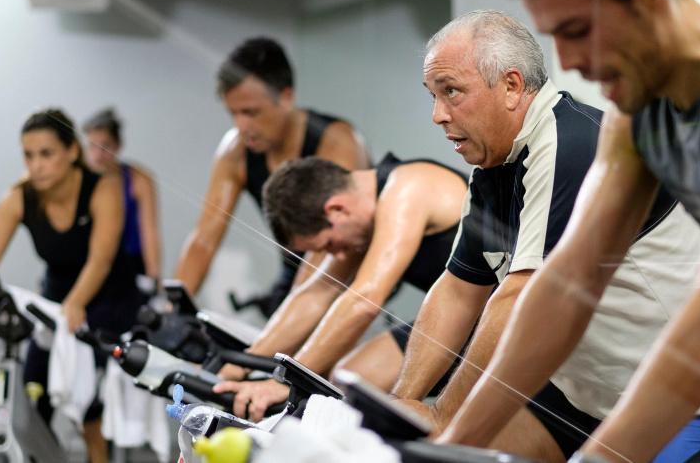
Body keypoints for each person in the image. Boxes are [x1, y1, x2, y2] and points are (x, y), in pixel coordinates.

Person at [390, 10, 700, 463]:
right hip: (589, 398)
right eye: (433, 95)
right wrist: (406, 403)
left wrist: (445, 417)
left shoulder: (573, 142)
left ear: (513, 86)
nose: (438, 115)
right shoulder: (494, 165)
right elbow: (461, 291)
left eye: (452, 92)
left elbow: (523, 295)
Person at [0, 109, 145, 463]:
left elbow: (100, 260)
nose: (36, 165)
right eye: (28, 155)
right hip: (55, 298)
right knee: (33, 392)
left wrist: (75, 303)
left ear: (72, 151)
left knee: (90, 409)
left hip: (110, 298)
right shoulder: (18, 198)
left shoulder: (104, 188)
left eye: (46, 154)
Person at [211, 153, 468, 422]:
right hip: (464, 315)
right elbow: (314, 294)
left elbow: (365, 300)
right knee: (348, 375)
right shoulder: (363, 212)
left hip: (502, 313)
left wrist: (283, 382)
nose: (339, 256)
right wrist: (237, 367)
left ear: (337, 210)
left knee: (356, 379)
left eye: (330, 245)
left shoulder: (409, 188)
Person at [173, 37, 370, 317]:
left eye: (251, 112)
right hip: (294, 273)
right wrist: (172, 311)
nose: (241, 125)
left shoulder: (336, 141)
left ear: (286, 97)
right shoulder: (236, 152)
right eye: (234, 113)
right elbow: (204, 238)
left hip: (349, 272)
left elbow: (335, 238)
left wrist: (290, 319)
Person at [83, 108, 161, 295]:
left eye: (105, 146)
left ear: (118, 145)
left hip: (130, 265)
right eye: (92, 147)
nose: (98, 155)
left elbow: (149, 233)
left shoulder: (139, 180)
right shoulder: (79, 180)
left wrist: (155, 280)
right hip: (88, 263)